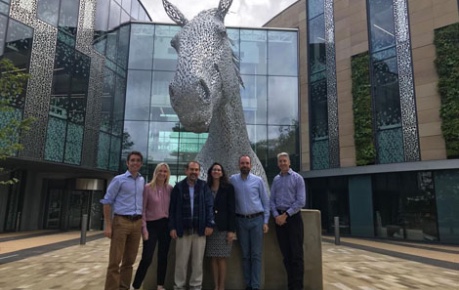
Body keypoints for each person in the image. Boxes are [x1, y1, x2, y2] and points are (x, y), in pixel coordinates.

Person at [100, 151, 145, 290]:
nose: (135, 163)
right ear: (127, 163)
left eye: (138, 160)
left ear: (141, 164)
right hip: (121, 221)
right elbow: (107, 202)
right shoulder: (119, 180)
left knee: (129, 261)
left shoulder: (142, 180)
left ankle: (124, 287)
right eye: (132, 160)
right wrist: (108, 225)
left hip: (137, 223)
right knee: (115, 261)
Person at [169, 161, 215, 290]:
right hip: (182, 230)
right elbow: (172, 209)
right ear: (186, 171)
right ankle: (179, 286)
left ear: (199, 172)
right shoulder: (178, 187)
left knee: (198, 262)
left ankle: (196, 286)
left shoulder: (204, 186)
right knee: (181, 262)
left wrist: (210, 224)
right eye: (191, 169)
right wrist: (172, 227)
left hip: (200, 230)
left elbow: (209, 206)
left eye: (196, 170)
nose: (194, 172)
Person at [230, 155, 269, 290]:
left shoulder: (258, 181)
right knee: (245, 255)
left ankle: (255, 286)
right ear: (239, 165)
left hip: (257, 221)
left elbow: (266, 202)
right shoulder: (233, 180)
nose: (245, 165)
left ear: (250, 165)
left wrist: (265, 221)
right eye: (242, 163)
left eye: (247, 163)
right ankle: (248, 284)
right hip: (240, 221)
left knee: (256, 255)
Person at [132, 163, 173, 290]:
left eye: (165, 171)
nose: (162, 173)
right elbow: (142, 210)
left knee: (163, 256)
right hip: (151, 225)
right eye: (160, 171)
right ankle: (136, 285)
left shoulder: (170, 189)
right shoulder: (147, 188)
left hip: (165, 225)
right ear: (156, 172)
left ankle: (160, 285)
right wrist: (144, 229)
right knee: (147, 257)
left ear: (168, 174)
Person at [269, 152, 306, 290]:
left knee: (296, 255)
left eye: (285, 161)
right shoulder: (276, 180)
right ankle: (290, 286)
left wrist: (286, 215)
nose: (283, 163)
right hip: (279, 220)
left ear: (289, 162)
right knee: (286, 256)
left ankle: (297, 287)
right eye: (280, 161)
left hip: (293, 219)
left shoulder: (298, 178)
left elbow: (301, 201)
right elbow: (271, 200)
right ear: (278, 163)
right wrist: (275, 215)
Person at [205, 163, 236, 290]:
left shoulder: (228, 188)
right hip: (210, 228)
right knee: (213, 257)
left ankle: (221, 286)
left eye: (219, 170)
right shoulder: (206, 187)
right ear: (211, 172)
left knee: (222, 257)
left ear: (222, 173)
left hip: (223, 228)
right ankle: (215, 286)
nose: (216, 171)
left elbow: (231, 209)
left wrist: (231, 230)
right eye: (214, 169)